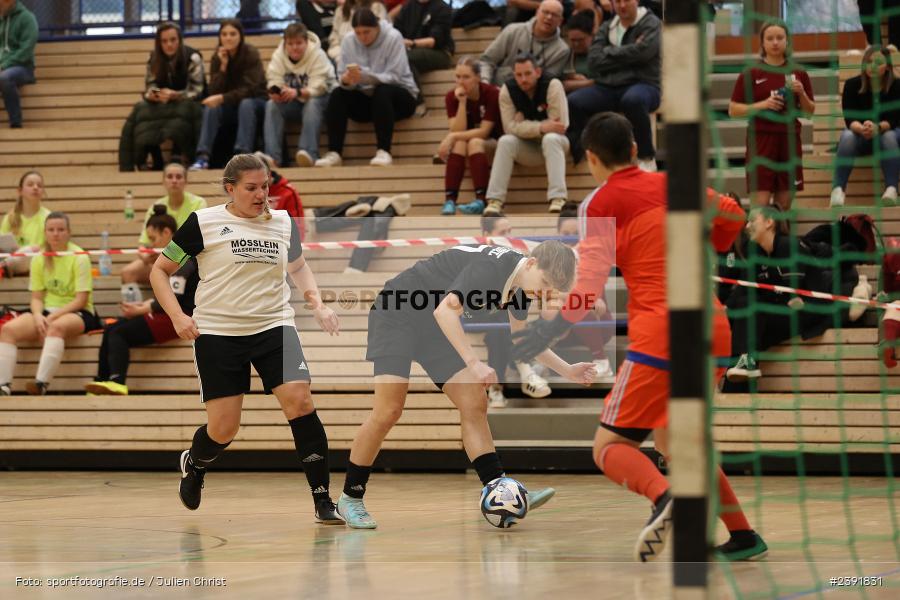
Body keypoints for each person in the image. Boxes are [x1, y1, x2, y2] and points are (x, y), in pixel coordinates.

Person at [511, 112, 769, 562]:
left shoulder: (598, 203)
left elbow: (588, 282)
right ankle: (744, 536)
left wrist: (551, 327)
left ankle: (667, 499)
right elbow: (734, 215)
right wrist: (719, 243)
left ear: (591, 159)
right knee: (680, 443)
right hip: (715, 329)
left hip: (663, 334)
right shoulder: (676, 184)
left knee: (610, 447)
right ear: (634, 150)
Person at [335, 239, 595, 529]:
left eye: (551, 291)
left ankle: (501, 491)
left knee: (474, 402)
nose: (543, 292)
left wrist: (567, 370)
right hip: (397, 314)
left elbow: (520, 340)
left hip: (435, 328)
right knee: (389, 410)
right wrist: (474, 362)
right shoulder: (490, 267)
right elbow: (445, 311)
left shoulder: (522, 288)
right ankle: (350, 497)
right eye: (544, 282)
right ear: (532, 263)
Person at [150, 153, 342, 521]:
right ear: (230, 189)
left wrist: (317, 304)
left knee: (300, 401)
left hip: (274, 326)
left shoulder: (284, 223)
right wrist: (177, 316)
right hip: (219, 333)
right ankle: (196, 464)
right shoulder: (203, 223)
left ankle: (322, 500)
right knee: (225, 427)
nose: (261, 195)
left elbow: (299, 267)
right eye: (251, 188)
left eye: (265, 187)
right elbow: (159, 271)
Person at [724, 206, 863, 382]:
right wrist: (725, 308)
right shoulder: (756, 252)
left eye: (753, 220)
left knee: (752, 310)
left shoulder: (788, 246)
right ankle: (741, 369)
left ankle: (745, 364)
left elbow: (793, 295)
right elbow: (745, 287)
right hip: (782, 309)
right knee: (741, 308)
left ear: (769, 222)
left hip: (811, 309)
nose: (747, 226)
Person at [86, 208, 199, 396]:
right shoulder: (173, 257)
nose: (151, 244)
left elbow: (173, 297)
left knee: (120, 332)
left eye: (153, 238)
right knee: (112, 328)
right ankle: (101, 382)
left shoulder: (182, 256)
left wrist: (140, 310)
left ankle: (117, 382)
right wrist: (142, 306)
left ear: (166, 233)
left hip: (181, 318)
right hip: (169, 313)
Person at [0, 212, 101, 396]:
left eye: (61, 229)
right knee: (8, 330)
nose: (56, 234)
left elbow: (81, 300)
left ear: (68, 232)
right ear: (45, 233)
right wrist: (38, 316)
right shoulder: (39, 258)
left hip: (79, 312)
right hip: (46, 311)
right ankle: (3, 386)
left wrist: (52, 317)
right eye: (51, 230)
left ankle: (41, 384)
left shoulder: (79, 256)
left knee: (55, 327)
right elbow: (37, 298)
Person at [461, 52, 569, 216]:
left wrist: (523, 123)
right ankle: (495, 201)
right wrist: (540, 126)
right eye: (519, 75)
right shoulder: (507, 90)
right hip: (529, 148)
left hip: (558, 145)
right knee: (506, 141)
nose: (523, 79)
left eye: (527, 74)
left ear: (538, 72)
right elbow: (509, 128)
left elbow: (560, 125)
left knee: (551, 138)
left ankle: (558, 198)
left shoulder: (553, 85)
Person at [315, 9, 419, 168]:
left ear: (377, 27)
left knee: (382, 91)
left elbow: (395, 77)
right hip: (367, 100)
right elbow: (341, 73)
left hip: (399, 99)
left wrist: (365, 76)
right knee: (337, 93)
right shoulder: (349, 41)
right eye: (358, 33)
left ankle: (384, 151)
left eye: (366, 32)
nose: (362, 37)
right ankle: (334, 153)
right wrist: (346, 80)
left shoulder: (393, 37)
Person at [728, 20, 815, 211]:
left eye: (779, 38)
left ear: (787, 41)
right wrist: (763, 105)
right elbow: (733, 110)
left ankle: (779, 241)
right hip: (761, 141)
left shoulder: (799, 72)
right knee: (760, 205)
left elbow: (810, 111)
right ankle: (758, 241)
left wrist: (801, 93)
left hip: (790, 140)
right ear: (763, 43)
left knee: (783, 205)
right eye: (770, 38)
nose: (775, 42)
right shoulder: (751, 73)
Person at [566, 0, 661, 171]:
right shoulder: (607, 26)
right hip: (608, 87)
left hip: (644, 84)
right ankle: (585, 153)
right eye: (617, 1)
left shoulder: (651, 23)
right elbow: (593, 61)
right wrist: (631, 50)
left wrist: (608, 53)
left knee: (633, 100)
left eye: (626, 0)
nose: (622, 5)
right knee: (574, 102)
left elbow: (644, 54)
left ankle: (646, 157)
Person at [478, 214, 554, 409]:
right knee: (502, 322)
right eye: (503, 233)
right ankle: (525, 368)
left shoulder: (516, 257)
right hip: (475, 310)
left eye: (510, 231)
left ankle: (497, 388)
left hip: (501, 316)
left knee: (498, 332)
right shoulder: (479, 257)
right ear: (487, 234)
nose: (509, 236)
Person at [118, 22, 206, 172]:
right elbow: (149, 85)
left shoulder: (193, 57)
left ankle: (180, 154)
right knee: (140, 109)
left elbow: (197, 89)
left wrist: (176, 95)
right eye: (164, 41)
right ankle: (142, 157)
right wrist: (153, 95)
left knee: (185, 110)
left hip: (188, 102)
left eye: (173, 40)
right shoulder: (153, 58)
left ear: (180, 40)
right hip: (162, 103)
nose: (169, 45)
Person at [190, 19, 267, 170]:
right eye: (224, 34)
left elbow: (250, 89)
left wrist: (222, 98)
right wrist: (223, 67)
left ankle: (241, 156)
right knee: (211, 108)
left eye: (233, 34)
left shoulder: (251, 53)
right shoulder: (217, 57)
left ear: (240, 36)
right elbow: (213, 91)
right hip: (231, 106)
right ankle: (202, 157)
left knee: (245, 104)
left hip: (256, 103)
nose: (228, 38)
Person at [120, 163, 207, 297]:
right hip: (158, 257)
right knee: (128, 272)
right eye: (170, 176)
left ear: (186, 181)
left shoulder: (198, 203)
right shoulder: (155, 206)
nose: (174, 180)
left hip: (187, 260)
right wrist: (145, 256)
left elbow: (199, 239)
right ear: (163, 181)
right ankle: (133, 310)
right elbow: (143, 244)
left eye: (178, 177)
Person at [830, 45, 900, 207]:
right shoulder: (851, 85)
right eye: (868, 62)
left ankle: (891, 189)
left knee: (889, 135)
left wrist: (878, 127)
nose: (873, 66)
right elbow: (850, 118)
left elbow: (895, 118)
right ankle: (838, 189)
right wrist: (862, 129)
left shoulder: (897, 86)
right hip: (862, 134)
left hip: (890, 135)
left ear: (888, 66)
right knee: (847, 135)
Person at [263, 23, 337, 168]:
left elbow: (320, 87)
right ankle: (273, 158)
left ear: (306, 42)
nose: (294, 47)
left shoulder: (317, 54)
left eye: (299, 43)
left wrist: (296, 92)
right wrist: (276, 92)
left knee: (312, 102)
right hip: (296, 101)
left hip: (325, 101)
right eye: (290, 44)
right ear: (285, 44)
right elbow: (273, 79)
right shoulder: (279, 55)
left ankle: (309, 153)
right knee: (272, 105)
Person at [438, 57, 502, 216]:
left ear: (478, 78)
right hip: (469, 144)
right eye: (458, 77)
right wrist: (461, 103)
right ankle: (450, 200)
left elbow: (484, 131)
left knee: (472, 141)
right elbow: (456, 129)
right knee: (460, 143)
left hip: (497, 142)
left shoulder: (492, 93)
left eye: (466, 77)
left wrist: (451, 137)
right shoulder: (451, 96)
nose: (461, 82)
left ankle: (481, 199)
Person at [479, 1, 572, 86]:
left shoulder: (562, 50)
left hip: (531, 96)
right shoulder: (512, 30)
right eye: (545, 12)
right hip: (498, 87)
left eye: (554, 15)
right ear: (537, 13)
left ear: (560, 21)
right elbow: (487, 60)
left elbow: (547, 81)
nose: (549, 17)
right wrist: (485, 83)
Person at [393, 0, 455, 114]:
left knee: (405, 58)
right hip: (411, 52)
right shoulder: (407, 7)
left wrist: (412, 43)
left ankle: (418, 102)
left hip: (440, 52)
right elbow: (395, 31)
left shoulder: (442, 7)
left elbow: (435, 40)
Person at [0, 170, 49, 276]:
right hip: (13, 262)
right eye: (30, 184)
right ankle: (6, 266)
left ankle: (5, 267)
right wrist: (17, 252)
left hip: (38, 264)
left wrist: (27, 251)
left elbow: (50, 249)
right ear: (20, 191)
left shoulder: (48, 217)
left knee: (33, 250)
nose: (35, 187)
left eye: (39, 185)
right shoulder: (10, 218)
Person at [0, 0, 38, 129]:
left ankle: (15, 122)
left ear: (10, 1)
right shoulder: (1, 19)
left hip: (23, 68)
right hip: (3, 66)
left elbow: (26, 51)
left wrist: (4, 65)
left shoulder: (27, 18)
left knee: (4, 77)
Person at [326, 0, 387, 64]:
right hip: (341, 57)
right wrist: (340, 57)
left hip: (371, 59)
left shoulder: (377, 8)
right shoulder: (340, 10)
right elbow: (334, 39)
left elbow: (379, 39)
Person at [563, 9, 596, 95]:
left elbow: (600, 83)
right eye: (573, 40)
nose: (576, 44)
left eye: (581, 40)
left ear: (591, 36)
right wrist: (588, 83)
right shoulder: (564, 54)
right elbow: (561, 85)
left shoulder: (599, 54)